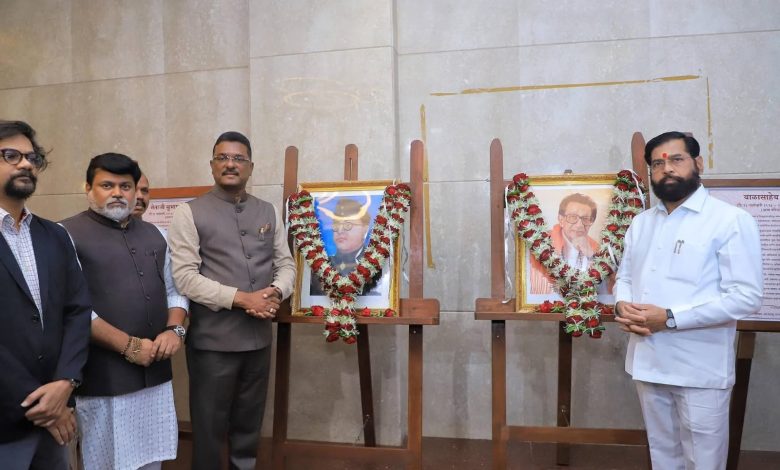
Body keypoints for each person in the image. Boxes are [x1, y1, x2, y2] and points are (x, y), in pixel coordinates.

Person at [614, 131, 763, 469]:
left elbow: (746, 297)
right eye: (657, 163)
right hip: (648, 359)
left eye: (676, 160)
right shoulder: (641, 223)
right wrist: (623, 305)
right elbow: (625, 277)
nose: (667, 168)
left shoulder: (729, 220)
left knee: (703, 460)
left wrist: (669, 317)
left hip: (700, 367)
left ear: (698, 163)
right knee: (662, 454)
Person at [168, 131, 296, 470]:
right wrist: (243, 299)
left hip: (258, 342)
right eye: (222, 157)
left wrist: (276, 292)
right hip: (213, 344)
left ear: (250, 167)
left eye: (239, 158)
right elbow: (185, 278)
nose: (230, 164)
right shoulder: (189, 212)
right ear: (212, 165)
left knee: (248, 430)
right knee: (209, 432)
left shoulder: (267, 210)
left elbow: (286, 264)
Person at [60, 154, 187, 470]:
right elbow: (72, 308)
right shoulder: (64, 235)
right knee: (108, 462)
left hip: (155, 375)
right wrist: (128, 346)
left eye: (125, 186)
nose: (118, 193)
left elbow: (175, 290)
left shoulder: (156, 234)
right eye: (107, 185)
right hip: (104, 379)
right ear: (88, 188)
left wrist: (175, 330)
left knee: (152, 461)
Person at [0, 120, 91, 469]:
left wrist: (66, 382)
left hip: (56, 413)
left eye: (32, 157)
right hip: (10, 422)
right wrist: (44, 406)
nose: (25, 163)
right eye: (11, 155)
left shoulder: (55, 235)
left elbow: (77, 311)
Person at [529, 193, 600, 294]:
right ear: (561, 219)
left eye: (585, 219)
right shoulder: (541, 243)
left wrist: (591, 256)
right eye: (573, 217)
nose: (579, 225)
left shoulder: (597, 249)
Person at [309, 196, 382, 296]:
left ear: (365, 229)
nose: (340, 230)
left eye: (347, 225)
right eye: (336, 225)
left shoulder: (375, 263)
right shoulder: (322, 265)